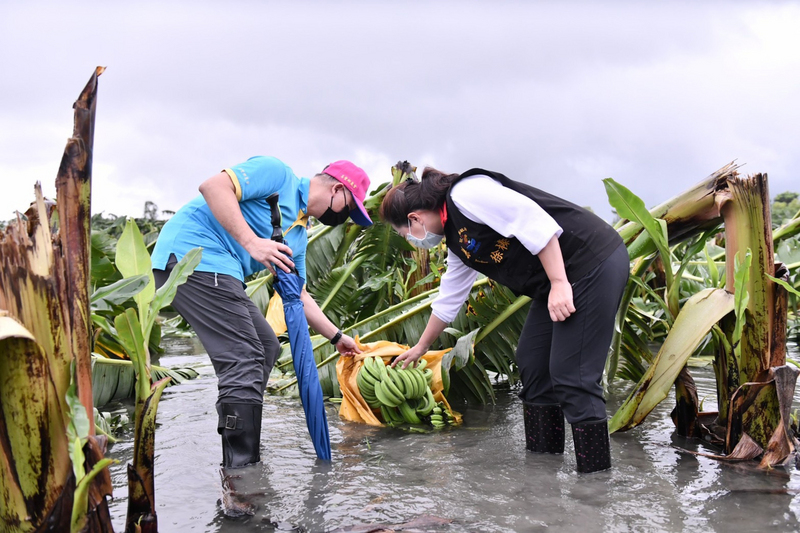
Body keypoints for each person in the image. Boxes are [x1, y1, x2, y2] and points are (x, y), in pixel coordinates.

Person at [379, 167, 629, 473]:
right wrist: (421, 347)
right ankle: (542, 472)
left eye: (406, 235)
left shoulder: (467, 194)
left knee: (573, 376)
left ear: (415, 219)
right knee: (533, 363)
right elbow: (449, 298)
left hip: (590, 262)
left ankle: (595, 483)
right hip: (557, 281)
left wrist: (559, 282)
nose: (412, 241)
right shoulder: (456, 237)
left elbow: (534, 222)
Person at [151, 156, 372, 474]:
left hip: (221, 270)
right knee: (244, 356)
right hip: (191, 255)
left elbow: (298, 294)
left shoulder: (298, 236)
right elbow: (213, 187)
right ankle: (241, 474)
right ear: (337, 189)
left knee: (267, 346)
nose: (344, 217)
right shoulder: (278, 175)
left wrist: (337, 337)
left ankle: (241, 433)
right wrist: (252, 242)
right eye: (348, 208)